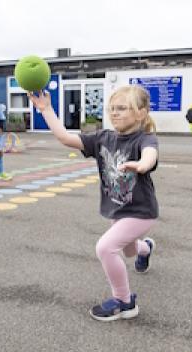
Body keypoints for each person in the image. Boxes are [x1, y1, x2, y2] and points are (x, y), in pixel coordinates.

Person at [29, 85, 159, 322]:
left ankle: (124, 302)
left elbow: (150, 154)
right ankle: (146, 249)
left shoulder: (145, 138)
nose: (115, 113)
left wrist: (142, 164)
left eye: (122, 108)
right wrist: (46, 109)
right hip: (117, 208)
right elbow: (65, 138)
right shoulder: (103, 138)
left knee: (105, 247)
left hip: (141, 212)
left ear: (141, 113)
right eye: (112, 108)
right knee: (129, 250)